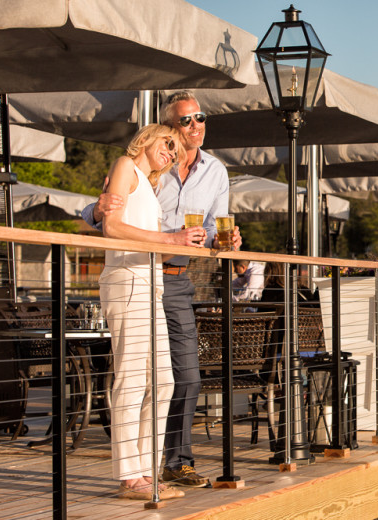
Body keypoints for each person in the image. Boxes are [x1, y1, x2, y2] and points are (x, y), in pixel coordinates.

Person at [83, 91, 242, 488]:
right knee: (136, 377)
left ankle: (167, 464)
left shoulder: (212, 173)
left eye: (199, 118)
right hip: (137, 277)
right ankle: (134, 474)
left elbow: (211, 232)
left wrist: (230, 243)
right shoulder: (142, 167)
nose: (192, 128)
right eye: (182, 123)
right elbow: (106, 215)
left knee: (178, 378)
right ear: (162, 130)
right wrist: (97, 210)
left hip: (171, 281)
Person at [99, 124, 204, 501]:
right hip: (126, 278)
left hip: (151, 283)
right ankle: (130, 477)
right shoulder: (126, 165)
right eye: (168, 143)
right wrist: (171, 238)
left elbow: (152, 240)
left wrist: (184, 243)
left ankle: (147, 469)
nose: (173, 152)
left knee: (163, 381)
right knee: (130, 378)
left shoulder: (150, 185)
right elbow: (110, 226)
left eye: (177, 150)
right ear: (147, 138)